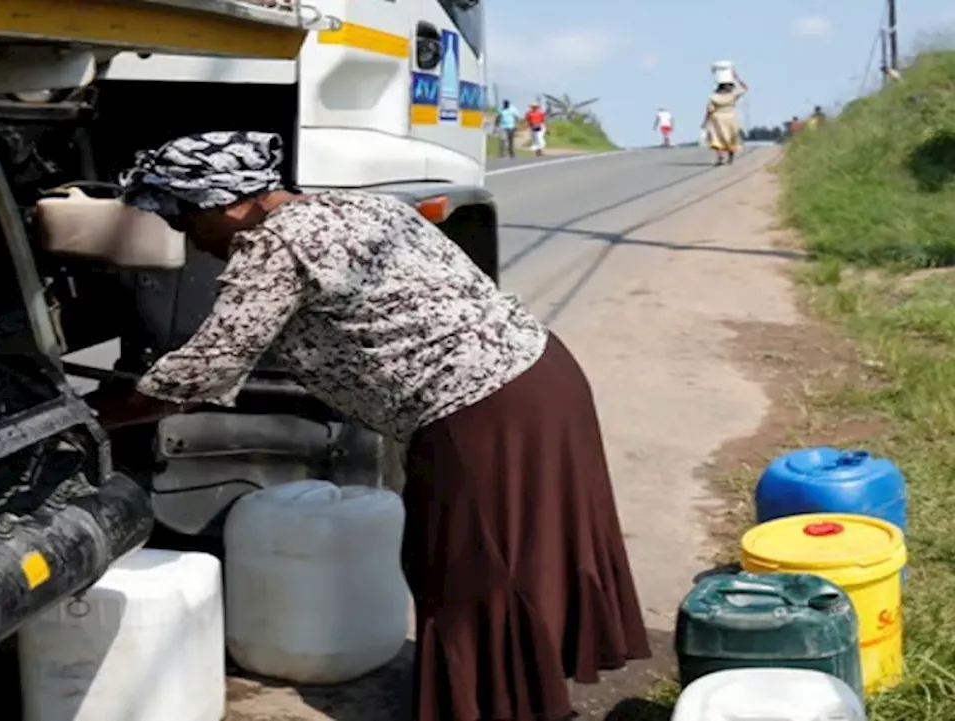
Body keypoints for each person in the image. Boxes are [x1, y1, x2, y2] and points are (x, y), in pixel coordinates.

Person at [90, 130, 652, 721]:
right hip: (542, 376)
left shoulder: (276, 245)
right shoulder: (358, 205)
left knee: (466, 570)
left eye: (185, 220)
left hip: (474, 408)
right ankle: (527, 698)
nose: (190, 240)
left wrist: (100, 415)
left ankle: (495, 708)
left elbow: (209, 366)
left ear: (224, 203)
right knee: (525, 555)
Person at [701, 73, 749, 165]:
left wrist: (705, 122)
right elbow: (745, 88)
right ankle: (730, 158)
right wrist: (737, 77)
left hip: (718, 118)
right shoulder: (733, 95)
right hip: (731, 118)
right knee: (730, 138)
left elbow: (709, 110)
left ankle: (720, 157)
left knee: (717, 138)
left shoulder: (714, 97)